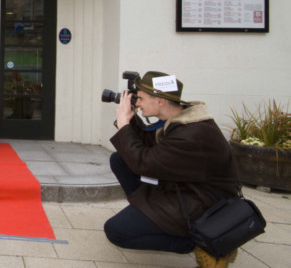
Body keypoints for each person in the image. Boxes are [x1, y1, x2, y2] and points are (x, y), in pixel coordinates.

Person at [103, 71, 240, 268]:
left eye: (140, 98)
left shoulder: (193, 134)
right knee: (120, 160)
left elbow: (143, 163)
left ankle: (201, 244)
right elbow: (146, 144)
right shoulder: (178, 120)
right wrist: (130, 120)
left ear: (160, 101)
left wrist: (124, 124)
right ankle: (147, 211)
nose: (138, 103)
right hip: (183, 187)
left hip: (204, 202)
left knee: (116, 230)